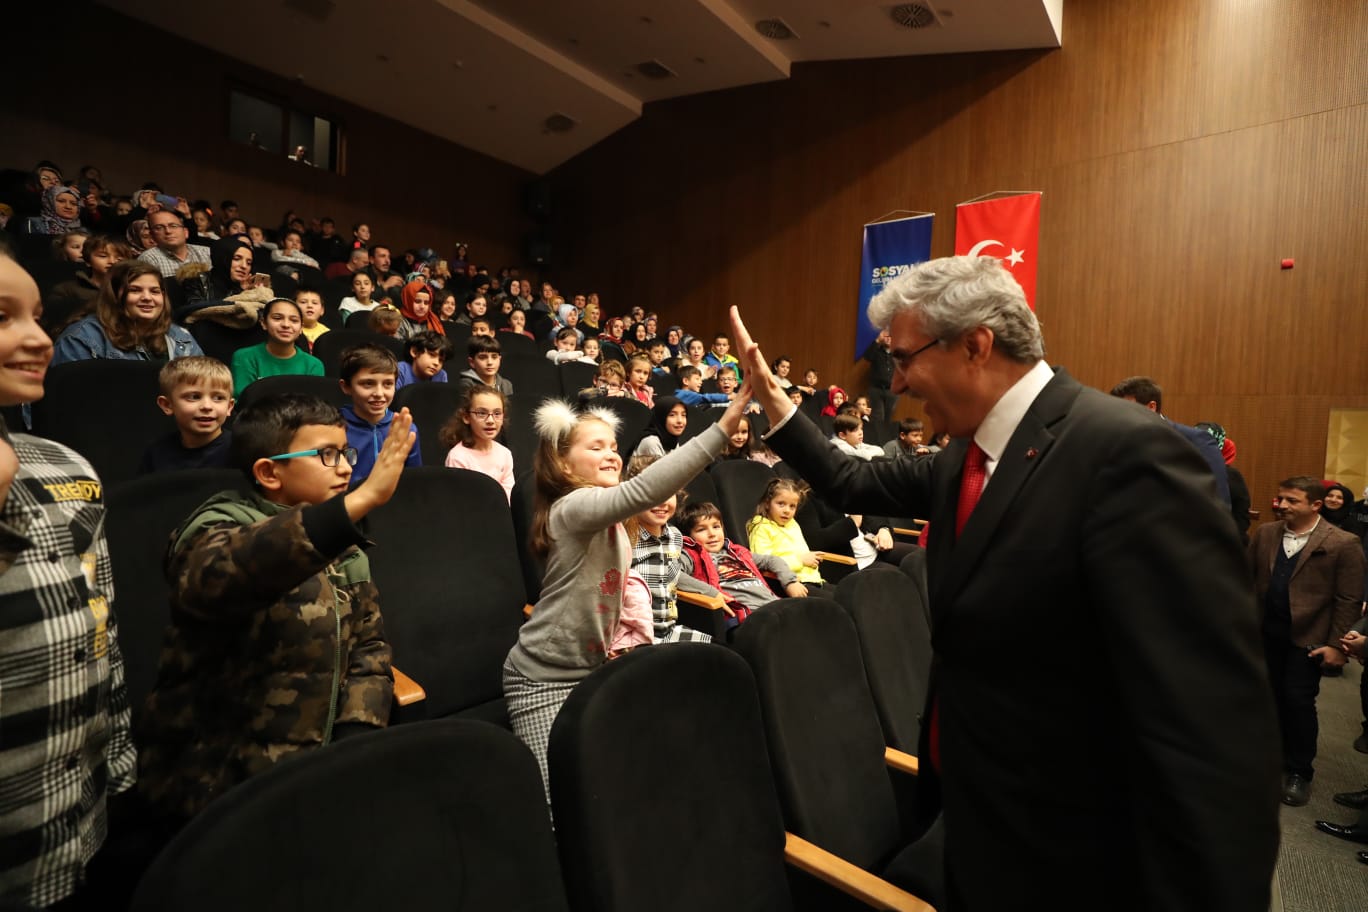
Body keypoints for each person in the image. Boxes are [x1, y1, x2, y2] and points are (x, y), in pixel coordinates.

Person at [727, 254, 1280, 911]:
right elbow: (852, 481)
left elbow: (1212, 732)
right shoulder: (965, 449)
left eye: (903, 358)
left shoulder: (1125, 456)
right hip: (972, 823)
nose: (896, 382)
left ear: (975, 345)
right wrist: (776, 404)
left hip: (1073, 860)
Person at [136, 393, 412, 827]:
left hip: (318, 770)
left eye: (345, 452)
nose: (345, 467)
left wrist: (356, 735)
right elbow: (219, 575)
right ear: (268, 472)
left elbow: (370, 647)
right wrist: (358, 502)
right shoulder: (218, 524)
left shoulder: (342, 539)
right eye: (326, 455)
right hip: (220, 785)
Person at [504, 391, 750, 796]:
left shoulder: (612, 518)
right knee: (555, 806)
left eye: (615, 446)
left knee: (609, 785)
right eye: (596, 446)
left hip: (593, 668)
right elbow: (645, 490)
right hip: (541, 678)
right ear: (563, 463)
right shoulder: (572, 506)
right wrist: (720, 431)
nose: (612, 454)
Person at [0, 254, 137, 909]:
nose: (39, 338)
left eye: (38, 317)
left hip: (77, 822)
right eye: (3, 317)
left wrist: (117, 756)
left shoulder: (66, 466)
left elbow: (101, 625)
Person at [1248, 476, 1364, 806]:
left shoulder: (1343, 542)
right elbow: (1246, 580)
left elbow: (1348, 598)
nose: (1281, 505)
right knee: (1266, 697)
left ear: (1315, 505)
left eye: (1291, 501)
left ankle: (1299, 771)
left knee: (1297, 701)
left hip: (1309, 638)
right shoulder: (1267, 534)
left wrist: (1338, 646)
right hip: (1265, 633)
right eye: (1280, 499)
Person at [621, 456, 714, 642]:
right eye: (653, 493)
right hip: (633, 636)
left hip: (670, 631)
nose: (662, 502)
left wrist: (714, 593)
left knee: (722, 656)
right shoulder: (624, 537)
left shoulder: (675, 536)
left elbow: (674, 574)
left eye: (668, 493)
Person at [1109, 375, 1231, 509]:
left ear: (1151, 407)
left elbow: (1219, 503)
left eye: (1126, 409)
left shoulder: (1197, 441)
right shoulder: (1117, 442)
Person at [52, 260, 203, 365]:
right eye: (135, 290)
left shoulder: (180, 337)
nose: (147, 298)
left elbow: (203, 386)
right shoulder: (82, 338)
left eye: (155, 291)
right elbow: (70, 400)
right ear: (114, 295)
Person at [679, 500, 808, 622]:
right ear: (689, 537)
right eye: (701, 529)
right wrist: (712, 593)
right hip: (746, 615)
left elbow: (772, 560)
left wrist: (790, 582)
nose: (712, 534)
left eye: (716, 526)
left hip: (774, 605)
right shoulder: (692, 555)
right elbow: (673, 574)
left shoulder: (738, 552)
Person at [338, 345, 422, 484]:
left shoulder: (406, 429)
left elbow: (413, 482)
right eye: (368, 384)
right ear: (346, 387)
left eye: (388, 384)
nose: (379, 393)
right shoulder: (334, 428)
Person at [139, 357, 235, 473]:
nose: (207, 406)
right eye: (194, 397)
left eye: (218, 398)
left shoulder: (242, 451)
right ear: (167, 405)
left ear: (229, 407)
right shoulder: (156, 454)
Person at [745, 477, 834, 596]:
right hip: (789, 583)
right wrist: (800, 560)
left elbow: (796, 551)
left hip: (813, 580)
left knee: (849, 596)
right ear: (767, 503)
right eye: (781, 504)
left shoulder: (792, 524)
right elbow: (764, 564)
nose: (787, 510)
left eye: (792, 506)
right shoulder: (760, 527)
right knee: (836, 604)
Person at [229, 298, 325, 397]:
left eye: (294, 320)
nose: (286, 325)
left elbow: (315, 406)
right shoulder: (244, 357)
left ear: (301, 328)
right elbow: (242, 402)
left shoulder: (313, 365)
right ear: (264, 323)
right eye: (277, 318)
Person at [44, 233, 129, 334]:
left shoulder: (132, 290)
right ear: (88, 260)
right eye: (103, 256)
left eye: (119, 259)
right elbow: (55, 325)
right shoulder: (66, 290)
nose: (112, 261)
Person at [441, 385, 513, 502]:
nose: (490, 420)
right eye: (481, 413)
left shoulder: (505, 454)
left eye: (497, 413)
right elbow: (462, 500)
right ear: (466, 417)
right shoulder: (458, 457)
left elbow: (509, 498)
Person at [138, 207, 211, 277]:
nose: (168, 231)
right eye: (159, 227)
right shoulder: (149, 258)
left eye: (173, 226)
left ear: (186, 232)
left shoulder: (206, 252)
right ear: (152, 235)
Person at [863, 328, 898, 422]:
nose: (888, 338)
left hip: (892, 390)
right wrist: (878, 340)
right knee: (877, 417)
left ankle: (885, 436)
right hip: (876, 389)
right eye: (886, 336)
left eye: (891, 337)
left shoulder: (897, 353)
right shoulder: (876, 351)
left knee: (888, 417)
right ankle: (876, 436)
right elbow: (867, 357)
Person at [296, 287, 329, 353]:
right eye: (303, 302)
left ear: (322, 310)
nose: (309, 306)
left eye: (315, 303)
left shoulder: (327, 333)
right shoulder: (291, 330)